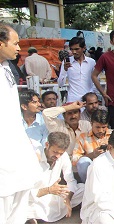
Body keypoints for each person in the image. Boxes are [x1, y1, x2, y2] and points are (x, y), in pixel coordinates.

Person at [0, 23, 41, 224]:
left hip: (15, 138)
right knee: (4, 193)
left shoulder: (8, 67)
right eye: (15, 43)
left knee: (23, 186)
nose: (18, 48)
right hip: (2, 144)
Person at [27, 132, 84, 222]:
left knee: (83, 188)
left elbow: (71, 180)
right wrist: (49, 190)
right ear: (47, 145)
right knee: (22, 206)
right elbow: (26, 193)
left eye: (60, 153)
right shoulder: (34, 157)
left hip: (54, 196)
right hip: (36, 198)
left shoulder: (63, 156)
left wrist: (68, 198)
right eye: (55, 152)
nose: (57, 156)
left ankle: (41, 217)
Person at [72, 109, 112, 183]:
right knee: (83, 161)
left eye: (103, 127)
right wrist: (92, 155)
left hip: (111, 170)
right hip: (91, 173)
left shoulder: (113, 135)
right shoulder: (83, 137)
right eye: (97, 127)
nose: (101, 130)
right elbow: (74, 159)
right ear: (91, 124)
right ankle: (88, 186)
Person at [58, 37, 96, 102]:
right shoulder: (66, 62)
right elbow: (60, 84)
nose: (74, 52)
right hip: (73, 100)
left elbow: (96, 80)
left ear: (83, 48)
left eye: (77, 49)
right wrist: (65, 70)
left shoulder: (91, 62)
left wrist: (93, 95)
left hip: (88, 101)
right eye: (72, 49)